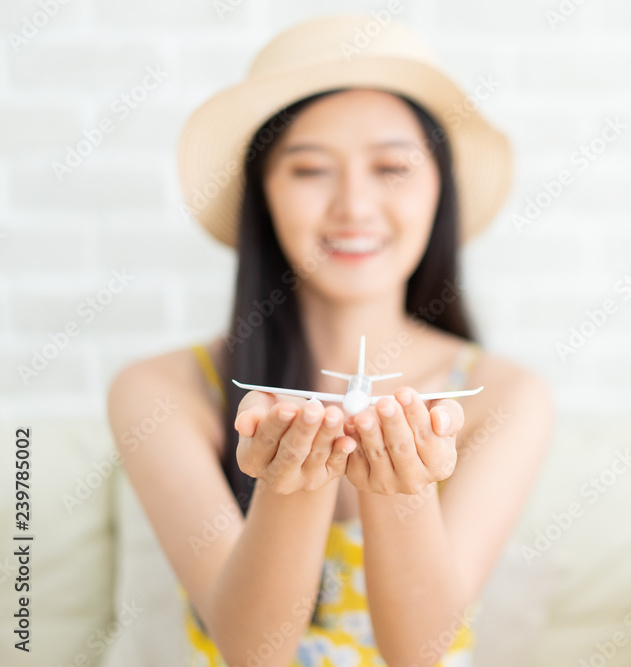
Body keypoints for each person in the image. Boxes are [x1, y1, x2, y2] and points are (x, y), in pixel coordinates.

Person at [106, 14, 553, 667]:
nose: (354, 206)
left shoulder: (507, 396)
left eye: (392, 167)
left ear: (440, 188)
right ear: (263, 194)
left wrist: (400, 488)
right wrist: (292, 482)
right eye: (310, 169)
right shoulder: (160, 391)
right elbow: (251, 653)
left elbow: (421, 652)